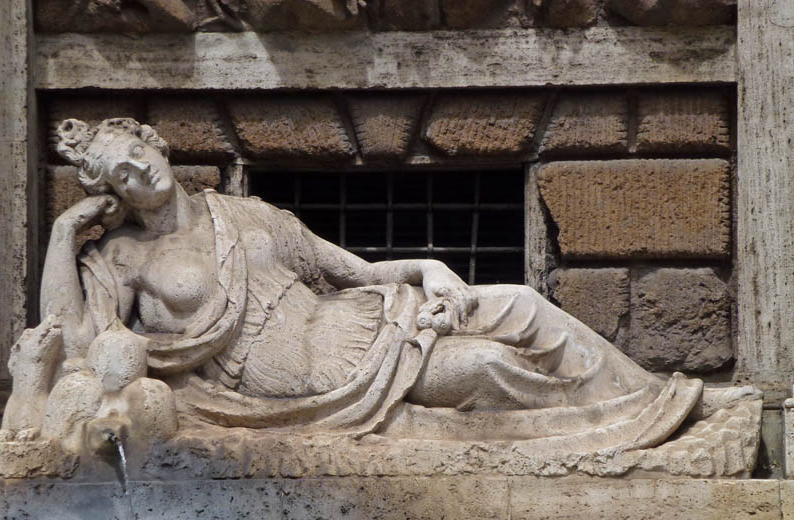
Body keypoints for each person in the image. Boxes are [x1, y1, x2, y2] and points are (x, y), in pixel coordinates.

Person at [37, 116, 749, 453]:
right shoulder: (126, 260)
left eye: (137, 154)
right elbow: (71, 345)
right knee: (491, 365)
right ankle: (633, 438)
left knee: (525, 305)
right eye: (121, 175)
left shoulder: (243, 212)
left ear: (155, 145)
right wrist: (65, 235)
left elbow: (351, 268)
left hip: (365, 317)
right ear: (115, 194)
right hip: (320, 381)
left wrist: (423, 267)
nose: (140, 173)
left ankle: (668, 406)